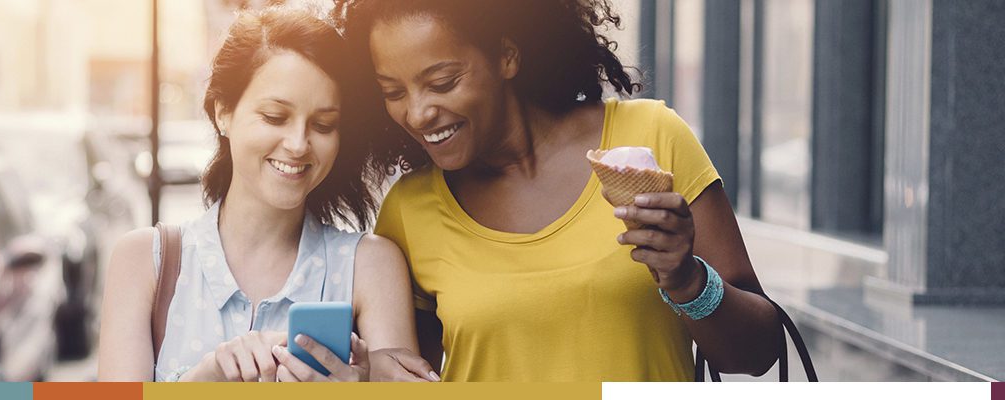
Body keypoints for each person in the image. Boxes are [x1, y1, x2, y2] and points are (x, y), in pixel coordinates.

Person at [333, 0, 783, 381]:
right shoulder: (409, 211)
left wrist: (687, 280)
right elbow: (412, 381)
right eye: (393, 91)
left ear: (506, 56)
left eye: (442, 82)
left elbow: (759, 353)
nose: (417, 113)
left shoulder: (651, 138)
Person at [98, 6, 432, 382]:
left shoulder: (371, 266)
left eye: (323, 125)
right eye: (275, 117)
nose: (298, 144)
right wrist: (209, 376)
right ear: (223, 111)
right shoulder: (145, 262)